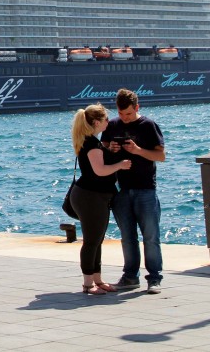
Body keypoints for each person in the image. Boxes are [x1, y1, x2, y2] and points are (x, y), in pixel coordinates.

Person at [102, 88, 167, 294]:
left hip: (146, 188)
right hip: (122, 189)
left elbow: (161, 156)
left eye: (129, 114)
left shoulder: (148, 125)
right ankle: (130, 276)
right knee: (127, 237)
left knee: (150, 236)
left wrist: (138, 150)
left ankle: (154, 278)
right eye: (121, 114)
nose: (125, 118)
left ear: (137, 107)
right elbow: (102, 150)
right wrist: (111, 149)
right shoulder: (113, 125)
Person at [69, 103, 132, 295]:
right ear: (96, 122)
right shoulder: (91, 144)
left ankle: (97, 279)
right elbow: (100, 170)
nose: (108, 122)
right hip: (90, 197)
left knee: (97, 239)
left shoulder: (92, 142)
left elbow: (99, 164)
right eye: (105, 119)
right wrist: (120, 165)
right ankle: (88, 284)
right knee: (91, 241)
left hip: (95, 196)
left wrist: (110, 151)